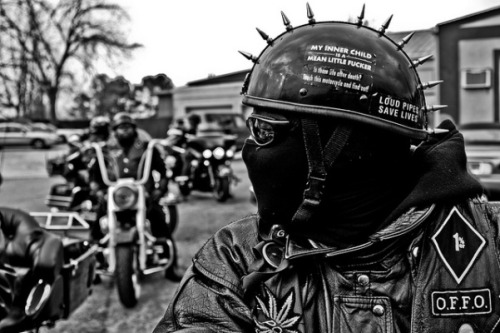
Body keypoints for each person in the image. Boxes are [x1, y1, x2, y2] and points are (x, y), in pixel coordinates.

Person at [154, 6, 500, 333]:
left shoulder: (492, 243)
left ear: (340, 146)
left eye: (264, 130)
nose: (251, 150)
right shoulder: (238, 256)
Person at [90, 112, 183, 281]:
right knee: (96, 230)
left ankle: (171, 269)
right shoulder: (105, 150)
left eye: (127, 127)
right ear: (115, 130)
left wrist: (158, 191)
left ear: (134, 129)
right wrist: (99, 192)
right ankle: (93, 269)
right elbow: (94, 176)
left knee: (162, 226)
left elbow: (162, 172)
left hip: (143, 195)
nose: (124, 131)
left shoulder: (147, 148)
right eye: (120, 128)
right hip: (114, 196)